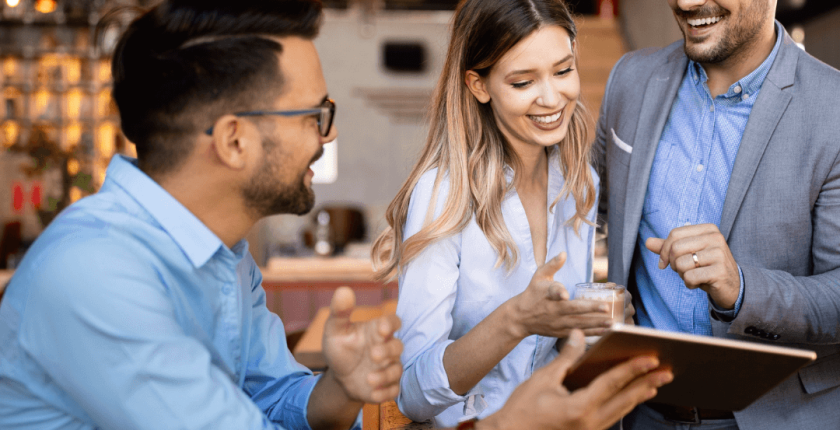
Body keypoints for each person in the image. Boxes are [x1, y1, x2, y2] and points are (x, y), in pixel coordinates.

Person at [0, 1, 672, 429]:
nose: (326, 138)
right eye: (314, 116)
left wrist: (339, 388)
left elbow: (275, 404)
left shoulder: (224, 258)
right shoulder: (94, 276)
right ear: (234, 140)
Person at [372, 0, 637, 426]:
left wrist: (598, 330)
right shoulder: (444, 195)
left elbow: (557, 354)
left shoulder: (578, 182)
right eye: (522, 81)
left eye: (563, 70)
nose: (552, 97)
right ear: (479, 86)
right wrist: (516, 320)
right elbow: (410, 393)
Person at [593, 0, 840, 428]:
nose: (687, 3)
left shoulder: (833, 110)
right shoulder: (628, 79)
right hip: (635, 412)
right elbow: (583, 215)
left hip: (774, 418)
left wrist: (741, 288)